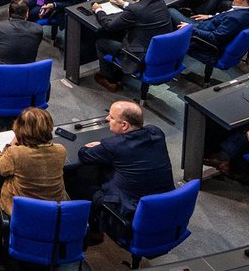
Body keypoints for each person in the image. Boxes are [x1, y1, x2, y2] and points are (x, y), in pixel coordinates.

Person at [74, 100, 174, 242]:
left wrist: (103, 146)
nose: (107, 119)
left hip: (131, 214)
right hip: (166, 209)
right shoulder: (156, 133)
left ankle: (93, 232)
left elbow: (84, 154)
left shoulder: (114, 146)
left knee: (79, 182)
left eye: (112, 117)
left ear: (124, 125)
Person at [89, 0, 178, 92]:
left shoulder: (134, 10)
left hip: (140, 57)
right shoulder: (159, 1)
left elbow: (109, 26)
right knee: (122, 34)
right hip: (162, 52)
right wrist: (124, 4)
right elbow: (143, 10)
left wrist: (98, 9)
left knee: (101, 42)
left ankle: (109, 79)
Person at [0, 106, 68, 221]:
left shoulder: (15, 152)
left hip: (24, 209)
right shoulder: (60, 150)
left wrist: (10, 144)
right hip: (54, 208)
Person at [185, 0, 249, 66]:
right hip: (209, 24)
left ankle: (174, 50)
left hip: (201, 38)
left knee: (171, 11)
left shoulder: (234, 19)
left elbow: (214, 38)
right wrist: (209, 16)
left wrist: (190, 28)